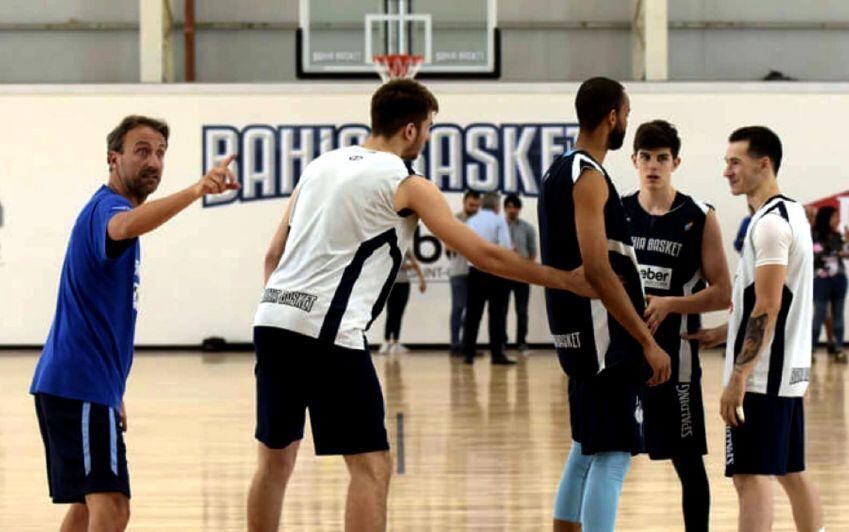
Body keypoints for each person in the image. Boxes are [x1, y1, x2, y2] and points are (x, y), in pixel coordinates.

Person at [246, 79, 596, 532]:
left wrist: (283, 311)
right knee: (371, 467)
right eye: (429, 127)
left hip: (271, 319)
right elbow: (482, 254)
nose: (428, 137)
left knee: (275, 461)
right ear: (410, 130)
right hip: (327, 333)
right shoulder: (406, 183)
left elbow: (274, 254)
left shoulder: (319, 165)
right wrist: (562, 279)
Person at [29, 115, 238, 532]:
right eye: (142, 151)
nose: (154, 162)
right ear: (114, 158)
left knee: (89, 507)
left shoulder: (107, 210)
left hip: (83, 386)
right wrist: (197, 190)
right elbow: (122, 228)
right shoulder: (109, 209)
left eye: (160, 153)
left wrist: (113, 391)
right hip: (78, 385)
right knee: (113, 506)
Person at [539, 77, 671, 532]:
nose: (626, 122)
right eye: (627, 114)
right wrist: (645, 340)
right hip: (603, 340)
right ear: (612, 117)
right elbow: (597, 270)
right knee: (612, 459)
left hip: (575, 335)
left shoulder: (557, 171)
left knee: (585, 449)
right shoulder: (589, 177)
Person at [687, 126, 824, 531]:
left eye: (735, 162)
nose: (727, 171)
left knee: (750, 476)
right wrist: (723, 333)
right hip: (786, 375)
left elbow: (768, 305)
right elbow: (763, 302)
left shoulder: (769, 225)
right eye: (726, 162)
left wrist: (739, 375)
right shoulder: (792, 213)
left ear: (764, 164)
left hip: (763, 379)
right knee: (790, 472)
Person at [622, 120, 731, 531]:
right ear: (634, 160)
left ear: (676, 162)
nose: (653, 165)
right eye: (646, 157)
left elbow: (722, 292)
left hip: (677, 357)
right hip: (625, 354)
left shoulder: (699, 216)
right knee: (608, 455)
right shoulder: (617, 211)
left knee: (687, 462)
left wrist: (671, 304)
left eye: (662, 158)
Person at [461, 192, 515, 365]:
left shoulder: (471, 221)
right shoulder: (499, 220)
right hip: (495, 272)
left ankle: (468, 353)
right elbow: (505, 247)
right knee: (497, 315)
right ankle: (497, 354)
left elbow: (465, 247)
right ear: (497, 206)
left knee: (472, 314)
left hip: (474, 271)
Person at [811, 205, 848, 362]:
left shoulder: (838, 236)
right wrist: (839, 252)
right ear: (826, 218)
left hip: (839, 278)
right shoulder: (815, 235)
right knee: (819, 314)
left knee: (838, 314)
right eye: (834, 216)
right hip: (821, 279)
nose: (837, 220)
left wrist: (847, 241)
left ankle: (839, 347)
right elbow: (818, 253)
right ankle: (810, 348)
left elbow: (845, 254)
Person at [447, 190, 481, 356]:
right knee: (458, 308)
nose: (474, 208)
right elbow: (449, 246)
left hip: (476, 272)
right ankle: (455, 344)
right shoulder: (455, 220)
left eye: (476, 206)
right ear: (464, 202)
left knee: (472, 311)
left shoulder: (480, 221)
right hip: (459, 271)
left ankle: (468, 345)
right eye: (471, 205)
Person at [503, 193, 538, 354]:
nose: (512, 210)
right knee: (501, 310)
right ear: (505, 208)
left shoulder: (527, 228)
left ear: (519, 209)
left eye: (515, 207)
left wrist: (527, 268)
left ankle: (521, 342)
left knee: (522, 310)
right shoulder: (498, 226)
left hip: (522, 275)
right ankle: (501, 341)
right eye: (509, 207)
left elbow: (532, 253)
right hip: (503, 273)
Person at [379, 250, 427, 353]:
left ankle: (396, 342)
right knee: (390, 312)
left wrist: (422, 280)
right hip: (391, 284)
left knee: (399, 313)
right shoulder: (389, 247)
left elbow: (415, 264)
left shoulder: (406, 249)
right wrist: (405, 266)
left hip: (404, 284)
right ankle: (386, 341)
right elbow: (390, 264)